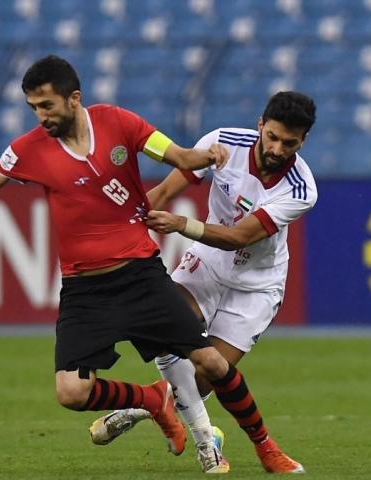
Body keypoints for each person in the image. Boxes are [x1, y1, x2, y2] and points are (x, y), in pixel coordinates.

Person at [0, 55, 303, 474]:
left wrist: (206, 156)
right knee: (71, 392)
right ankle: (152, 401)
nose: (40, 117)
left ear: (74, 99)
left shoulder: (119, 123)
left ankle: (262, 447)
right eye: (33, 108)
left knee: (213, 364)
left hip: (140, 274)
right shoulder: (28, 150)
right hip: (84, 290)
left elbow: (179, 157)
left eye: (47, 106)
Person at [89, 91, 317, 472]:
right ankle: (242, 446)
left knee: (208, 375)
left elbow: (240, 236)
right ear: (261, 124)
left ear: (303, 141)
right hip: (207, 264)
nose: (277, 148)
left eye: (289, 143)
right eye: (272, 136)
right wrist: (123, 235)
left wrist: (181, 224)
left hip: (257, 286)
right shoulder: (222, 142)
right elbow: (163, 193)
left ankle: (147, 405)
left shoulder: (300, 188)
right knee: (168, 325)